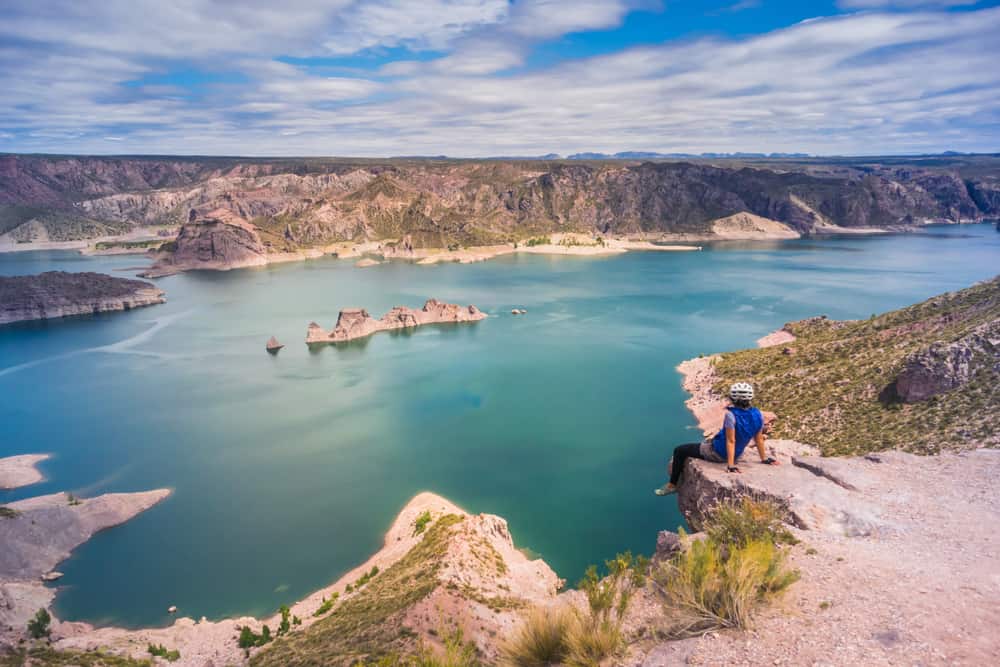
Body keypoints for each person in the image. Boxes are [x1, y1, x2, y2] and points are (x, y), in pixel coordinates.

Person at [655, 382, 778, 496]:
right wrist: (764, 458)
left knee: (680, 450)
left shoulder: (731, 415)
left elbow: (731, 441)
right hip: (737, 452)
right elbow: (759, 438)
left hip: (718, 453)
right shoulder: (758, 414)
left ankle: (672, 485)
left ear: (733, 398)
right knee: (708, 441)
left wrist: (730, 465)